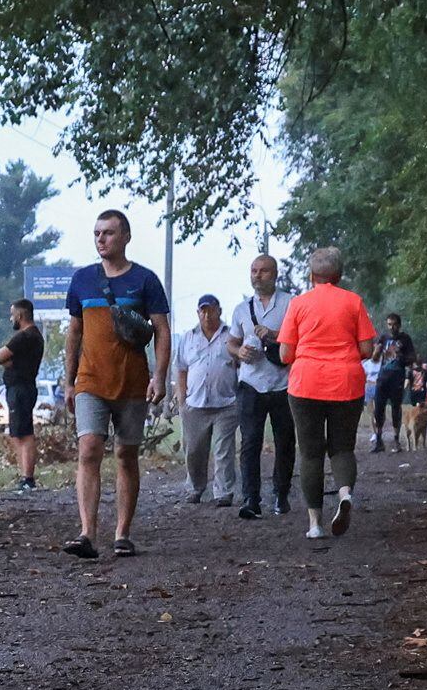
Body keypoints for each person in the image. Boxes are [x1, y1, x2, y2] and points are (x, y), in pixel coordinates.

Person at [62, 210, 170, 558]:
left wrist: (159, 376)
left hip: (132, 382)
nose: (101, 239)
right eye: (97, 233)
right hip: (90, 381)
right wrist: (69, 382)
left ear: (125, 237)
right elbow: (74, 333)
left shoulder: (145, 280)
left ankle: (122, 533)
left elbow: (161, 330)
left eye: (108, 233)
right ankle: (87, 534)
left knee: (126, 454)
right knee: (89, 449)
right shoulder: (82, 280)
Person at [278, 247, 375, 541]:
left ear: (311, 275)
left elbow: (285, 354)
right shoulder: (353, 301)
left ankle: (315, 524)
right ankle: (344, 494)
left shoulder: (298, 304)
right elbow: (367, 349)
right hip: (346, 381)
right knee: (342, 448)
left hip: (306, 383)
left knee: (310, 453)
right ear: (339, 275)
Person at [227, 253, 296, 520]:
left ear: (275, 274)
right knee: (250, 442)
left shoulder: (291, 303)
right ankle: (251, 499)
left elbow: (303, 337)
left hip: (284, 383)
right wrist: (239, 352)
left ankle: (281, 493)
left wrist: (275, 335)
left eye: (263, 271)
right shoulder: (241, 309)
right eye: (254, 270)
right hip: (251, 383)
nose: (257, 275)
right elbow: (231, 342)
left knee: (285, 441)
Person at [176, 293, 239, 506]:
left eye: (211, 310)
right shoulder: (188, 337)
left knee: (223, 450)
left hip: (226, 403)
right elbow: (181, 369)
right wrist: (182, 400)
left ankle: (223, 492)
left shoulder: (230, 335)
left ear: (219, 311)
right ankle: (195, 488)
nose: (207, 315)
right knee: (194, 450)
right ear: (198, 313)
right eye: (203, 311)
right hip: (195, 404)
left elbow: (240, 364)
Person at [0, 300, 45, 489]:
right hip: (23, 388)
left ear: (20, 315)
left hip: (21, 390)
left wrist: (9, 362)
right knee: (18, 432)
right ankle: (24, 476)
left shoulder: (24, 337)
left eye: (12, 314)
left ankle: (27, 478)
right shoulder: (35, 336)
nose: (11, 318)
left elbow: (0, 356)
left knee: (24, 433)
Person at [370, 313, 416, 453]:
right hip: (383, 377)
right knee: (378, 408)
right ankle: (379, 440)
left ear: (399, 325)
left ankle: (396, 440)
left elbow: (412, 357)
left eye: (394, 324)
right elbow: (374, 359)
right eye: (389, 324)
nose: (392, 327)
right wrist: (376, 352)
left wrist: (401, 357)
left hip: (397, 377)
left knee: (396, 408)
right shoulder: (383, 338)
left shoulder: (405, 338)